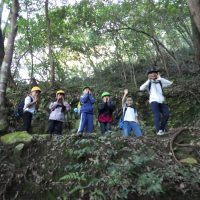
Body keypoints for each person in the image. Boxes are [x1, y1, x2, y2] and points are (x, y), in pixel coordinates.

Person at [140, 66, 173, 135]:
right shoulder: (148, 83)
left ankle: (162, 129)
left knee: (166, 114)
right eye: (151, 73)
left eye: (155, 73)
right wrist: (149, 80)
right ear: (148, 75)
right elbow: (141, 88)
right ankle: (158, 131)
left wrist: (160, 78)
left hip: (162, 101)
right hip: (153, 101)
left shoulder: (160, 82)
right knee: (157, 115)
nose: (153, 74)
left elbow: (170, 83)